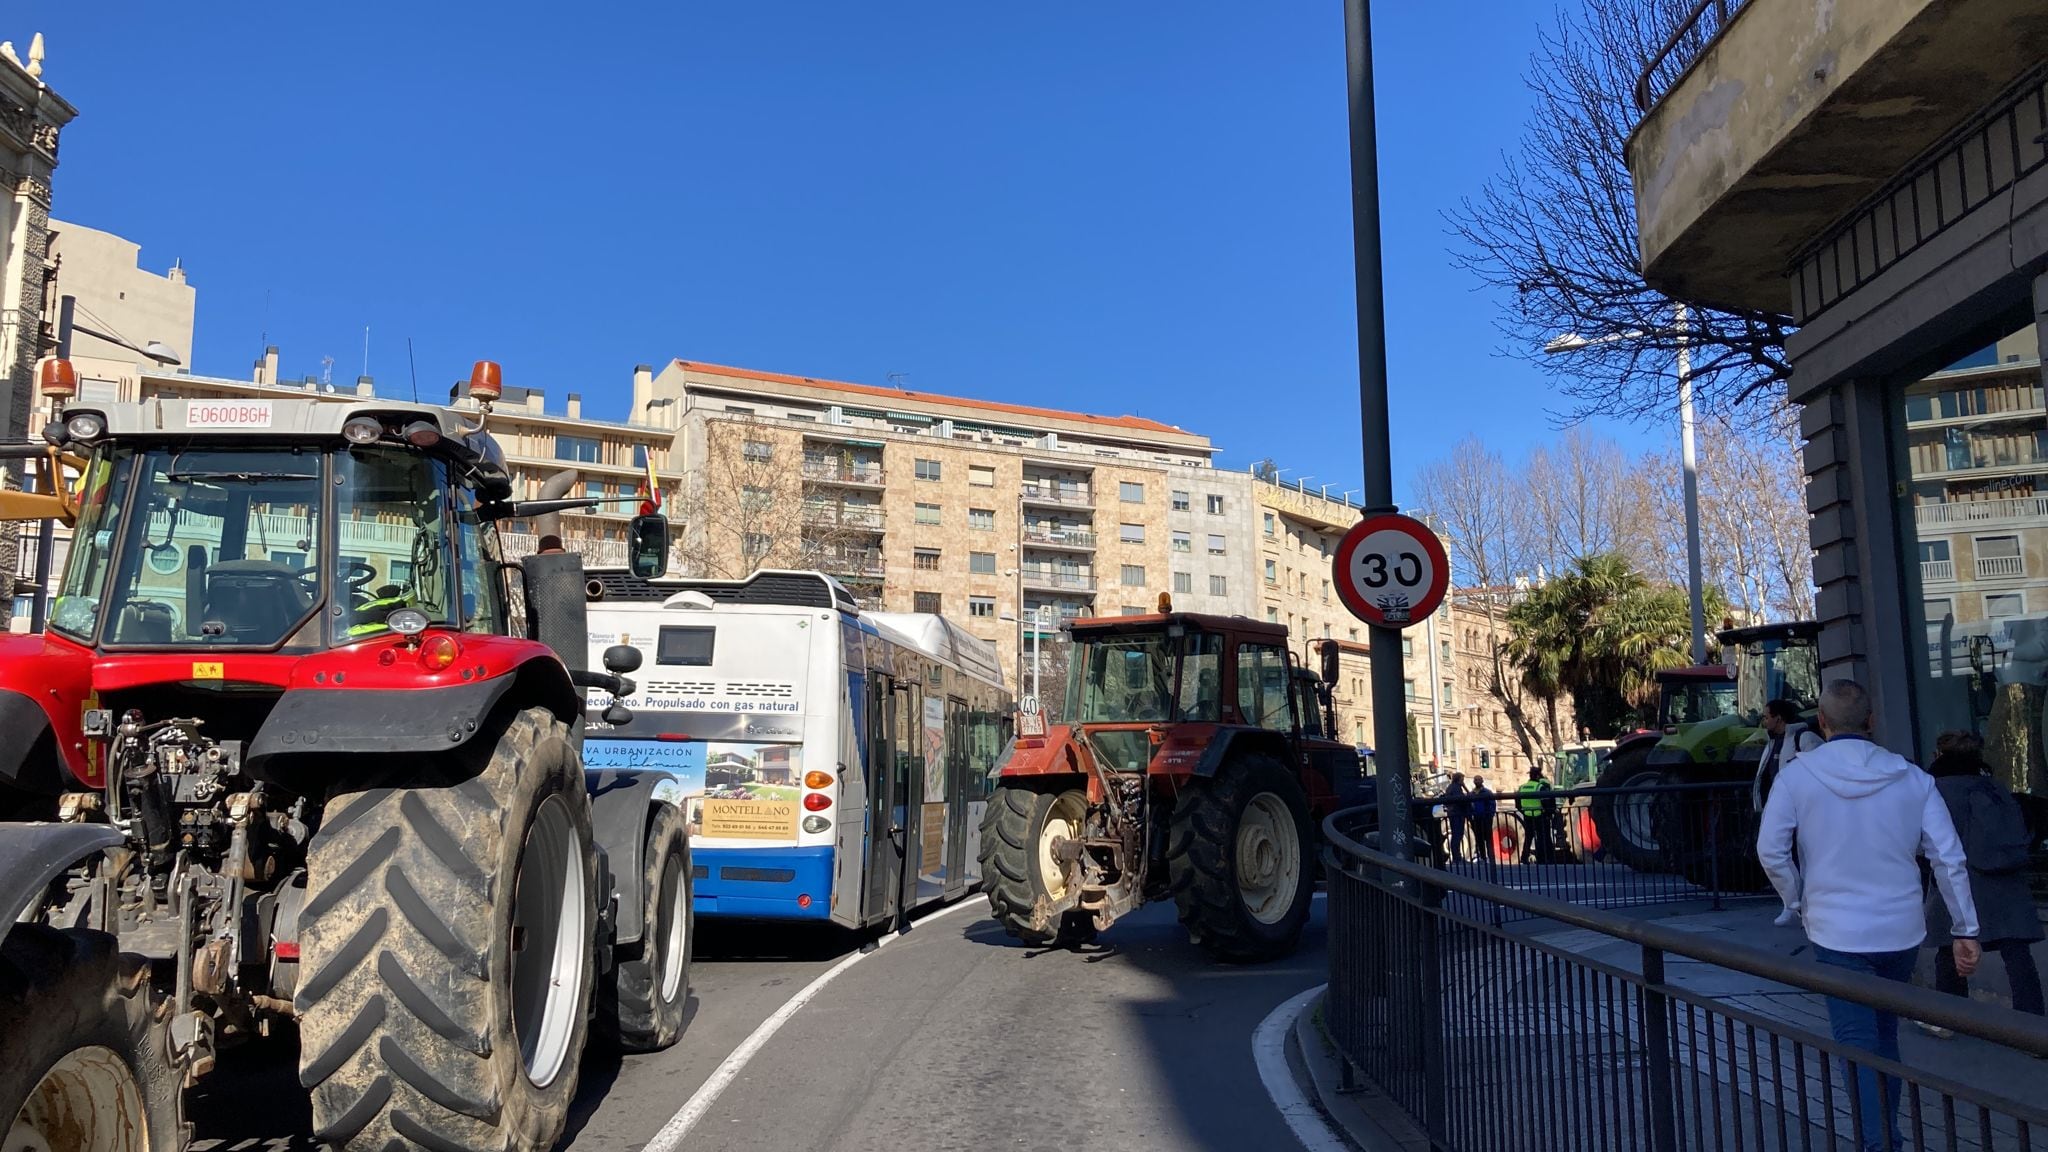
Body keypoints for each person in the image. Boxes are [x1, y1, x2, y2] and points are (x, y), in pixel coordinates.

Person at [1757, 680, 1979, 1152]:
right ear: (1872, 721)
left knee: (1857, 1047)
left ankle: (1880, 1144)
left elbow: (1771, 850)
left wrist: (1795, 900)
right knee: (1883, 1040)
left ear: (1822, 722)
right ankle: (1885, 1137)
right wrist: (1965, 928)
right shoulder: (1913, 777)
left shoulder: (1797, 776)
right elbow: (1948, 858)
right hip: (1899, 929)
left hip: (1836, 930)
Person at [1919, 730, 2043, 1027]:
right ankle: (2034, 1025)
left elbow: (1925, 843)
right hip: (2005, 882)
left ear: (1940, 755)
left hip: (1961, 880)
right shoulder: (1994, 787)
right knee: (2017, 955)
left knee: (1950, 950)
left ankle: (1950, 1018)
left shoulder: (1936, 790)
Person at [1755, 698, 1823, 927]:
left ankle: (1800, 905)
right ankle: (1792, 904)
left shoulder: (1804, 739)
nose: (1763, 720)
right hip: (1779, 805)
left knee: (1805, 856)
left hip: (1801, 805)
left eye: (1767, 716)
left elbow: (1819, 770)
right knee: (1776, 852)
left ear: (1779, 718)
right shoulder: (1772, 743)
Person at [1516, 766, 1557, 864]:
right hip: (1540, 816)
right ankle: (1542, 859)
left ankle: (1524, 858)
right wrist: (1548, 813)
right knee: (1542, 837)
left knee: (1528, 837)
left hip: (1527, 816)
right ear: (1538, 776)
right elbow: (1546, 803)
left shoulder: (1522, 788)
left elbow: (1518, 805)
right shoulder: (1539, 787)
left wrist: (1525, 811)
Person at [1440, 772, 1471, 864]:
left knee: (1456, 835)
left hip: (1454, 813)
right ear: (1459, 779)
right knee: (1457, 835)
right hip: (1457, 813)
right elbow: (1460, 800)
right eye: (1462, 779)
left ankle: (1457, 856)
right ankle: (1457, 856)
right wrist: (1467, 795)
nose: (1463, 781)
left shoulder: (1451, 787)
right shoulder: (1456, 788)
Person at [1469, 776, 1496, 863]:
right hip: (1476, 819)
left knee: (1488, 838)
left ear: (1482, 781)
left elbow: (1493, 804)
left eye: (1478, 779)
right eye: (1475, 779)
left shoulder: (1487, 792)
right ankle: (1483, 857)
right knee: (1479, 838)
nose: (1476, 781)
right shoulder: (1472, 793)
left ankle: (1491, 857)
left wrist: (1490, 815)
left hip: (1486, 818)